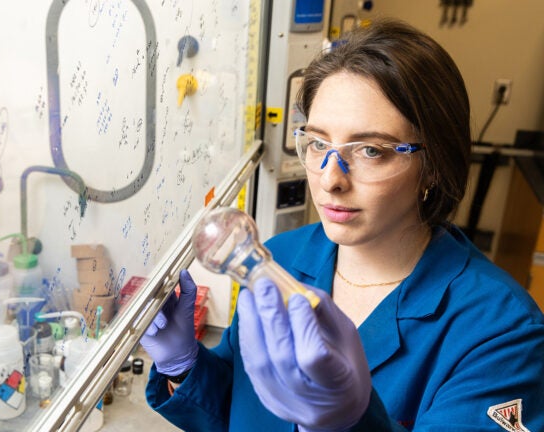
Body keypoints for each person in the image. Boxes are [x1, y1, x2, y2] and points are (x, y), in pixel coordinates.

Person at [139, 19, 544, 431]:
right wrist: (183, 364)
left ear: (434, 165)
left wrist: (352, 422)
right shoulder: (281, 258)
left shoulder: (500, 332)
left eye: (370, 150)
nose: (331, 179)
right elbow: (241, 409)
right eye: (318, 144)